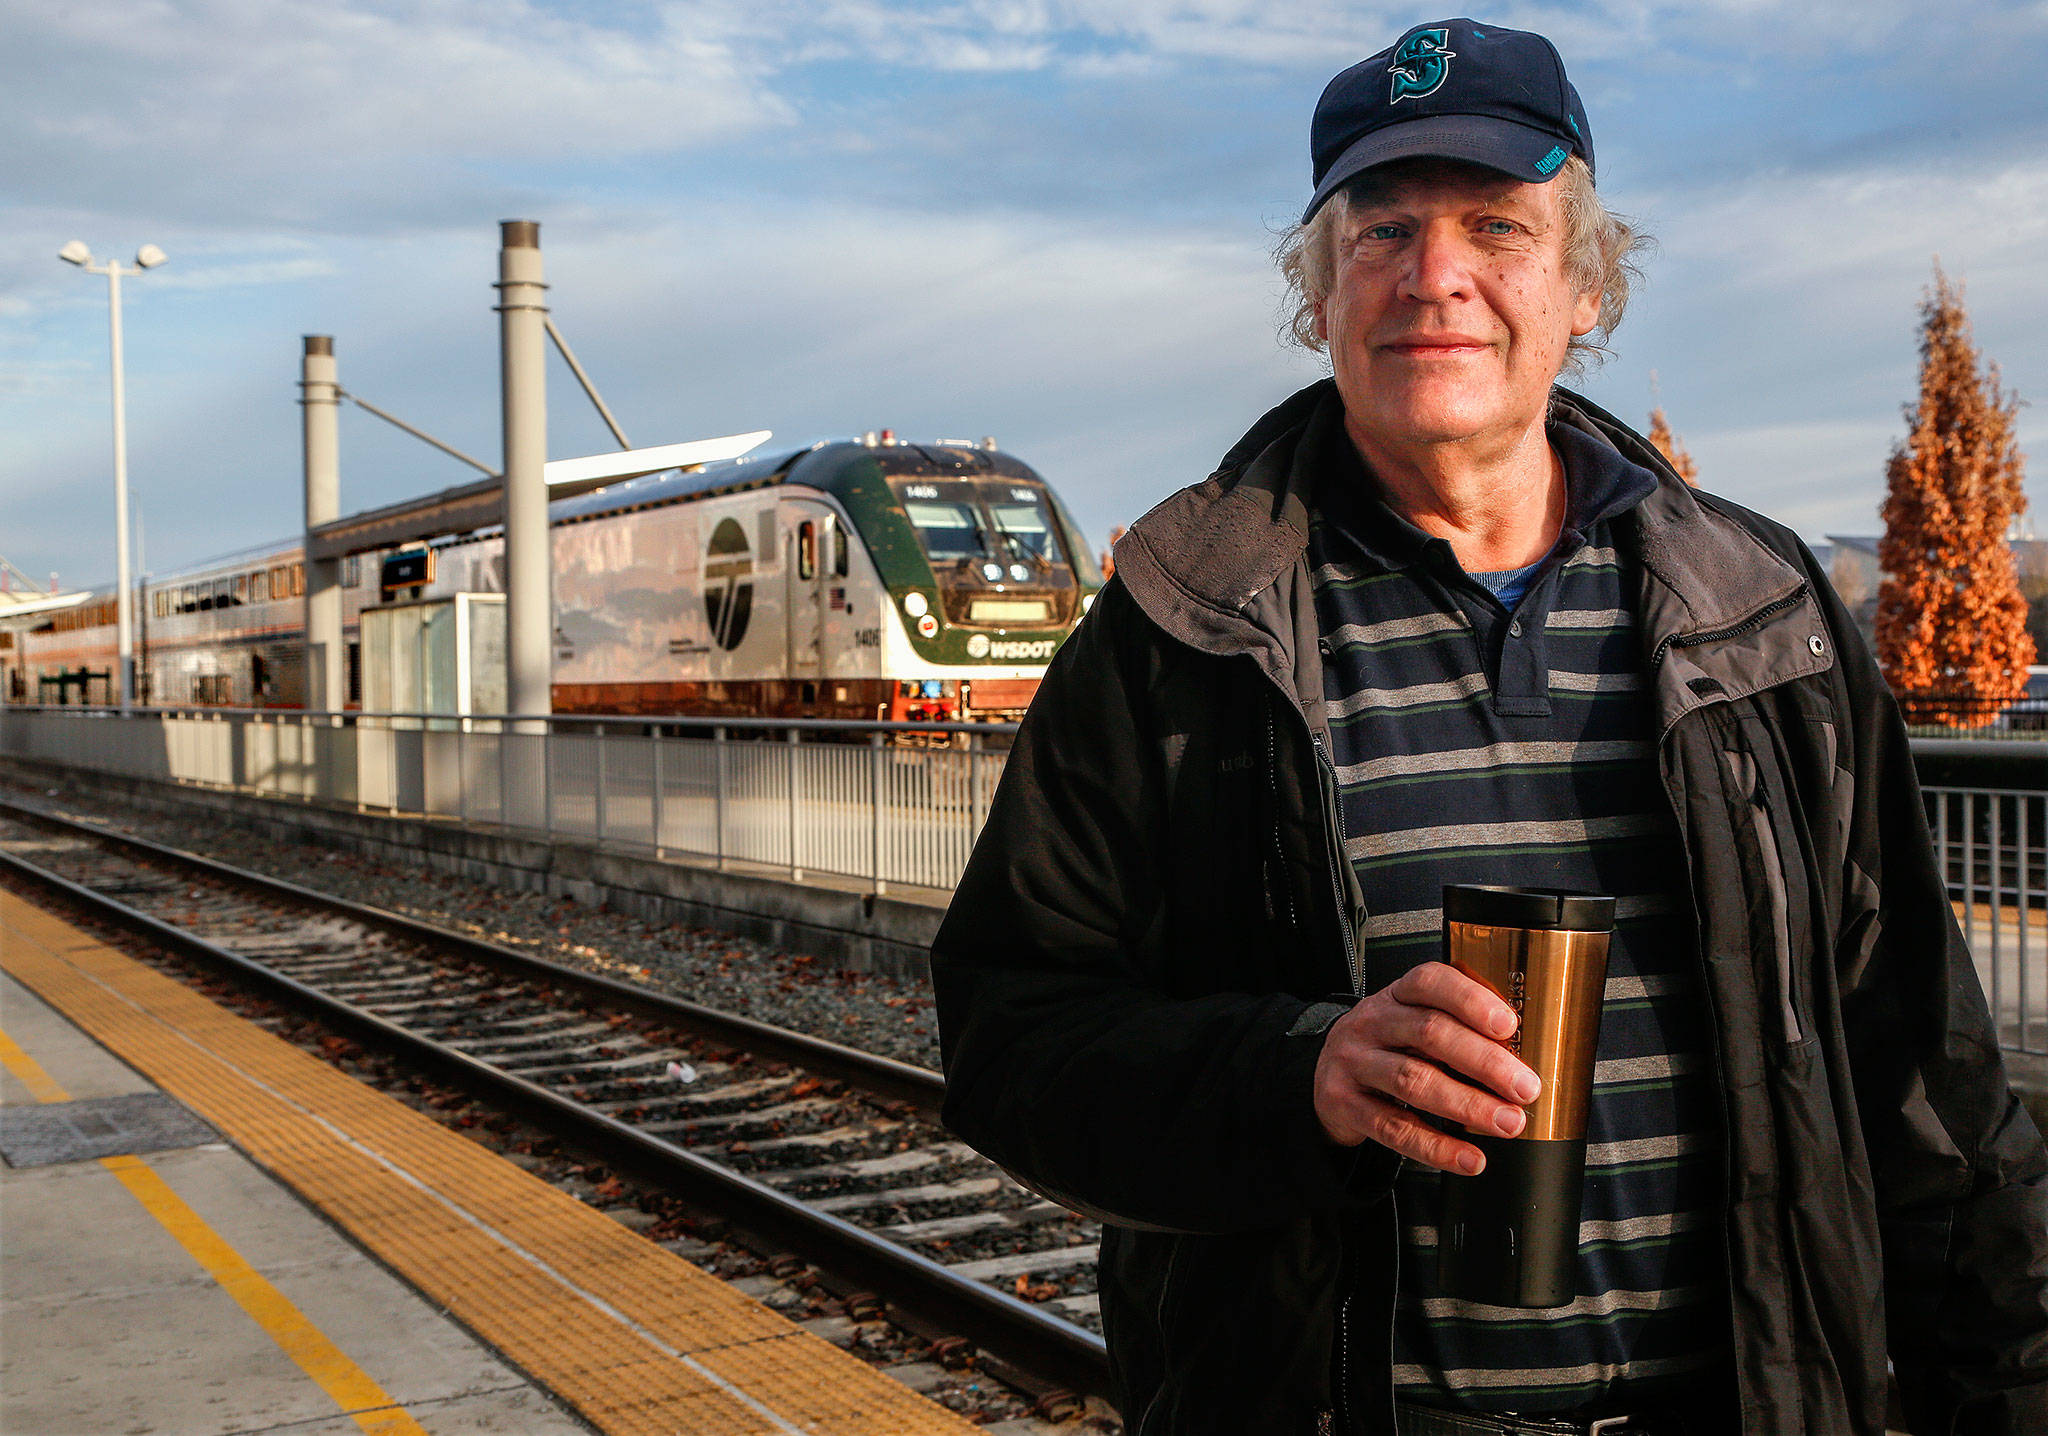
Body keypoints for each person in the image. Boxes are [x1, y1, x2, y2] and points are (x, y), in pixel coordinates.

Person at [930, 17, 2048, 1436]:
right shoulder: (1182, 627)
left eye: (1496, 228)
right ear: (1318, 297)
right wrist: (1301, 1074)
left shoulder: (1761, 623)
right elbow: (1011, 1040)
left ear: (1586, 285)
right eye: (1380, 230)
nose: (1434, 276)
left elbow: (1931, 1096)